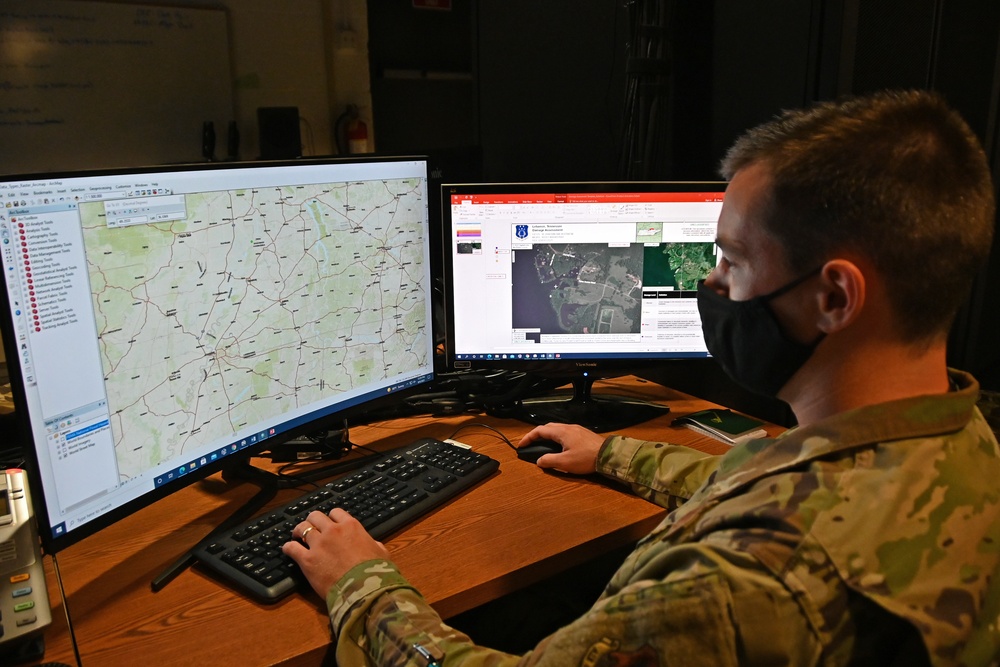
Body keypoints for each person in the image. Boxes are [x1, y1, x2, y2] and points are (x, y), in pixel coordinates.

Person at [283, 89, 1000, 666]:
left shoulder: (733, 589)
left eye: (731, 260)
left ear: (835, 297)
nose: (711, 283)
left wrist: (363, 585)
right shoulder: (961, 439)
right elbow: (788, 485)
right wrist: (613, 453)